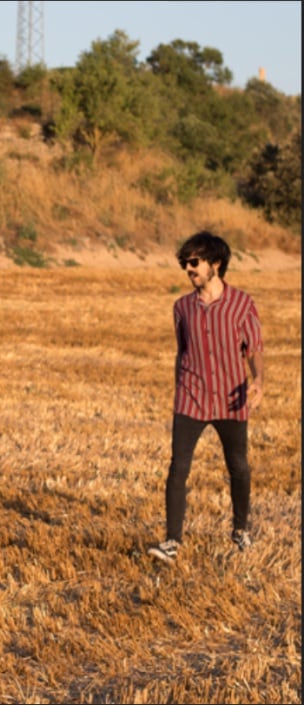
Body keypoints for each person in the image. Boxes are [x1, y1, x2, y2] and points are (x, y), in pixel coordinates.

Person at [148, 231, 264, 564]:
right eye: (185, 262)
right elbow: (182, 351)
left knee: (238, 467)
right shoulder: (182, 307)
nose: (188, 268)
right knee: (177, 468)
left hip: (231, 397)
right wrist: (177, 389)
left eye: (194, 261)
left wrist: (258, 379)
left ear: (215, 264)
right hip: (191, 398)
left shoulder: (242, 303)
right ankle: (172, 541)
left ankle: (241, 530)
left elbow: (254, 349)